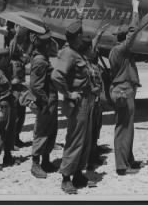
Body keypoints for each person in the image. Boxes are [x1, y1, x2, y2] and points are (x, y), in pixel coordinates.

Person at [51, 17, 94, 194]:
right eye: (81, 34)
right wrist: (68, 93)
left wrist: (79, 17)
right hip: (77, 102)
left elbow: (75, 30)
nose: (83, 37)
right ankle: (66, 178)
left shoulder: (77, 51)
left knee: (84, 140)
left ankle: (77, 173)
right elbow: (56, 76)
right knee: (75, 140)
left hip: (85, 99)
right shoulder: (68, 53)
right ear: (76, 37)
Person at [109, 0, 143, 176]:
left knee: (127, 127)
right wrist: (135, 10)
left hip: (124, 90)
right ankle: (122, 166)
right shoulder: (121, 49)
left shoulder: (116, 51)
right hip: (123, 91)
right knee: (123, 128)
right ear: (124, 38)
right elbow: (134, 31)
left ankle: (128, 159)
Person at [29, 28, 59, 179]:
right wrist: (44, 101)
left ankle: (46, 161)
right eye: (47, 43)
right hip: (45, 102)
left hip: (50, 101)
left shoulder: (44, 58)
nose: (50, 45)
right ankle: (35, 164)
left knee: (50, 131)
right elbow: (35, 86)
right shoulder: (40, 61)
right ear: (43, 45)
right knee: (41, 132)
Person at [82, 24, 109, 170]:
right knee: (90, 130)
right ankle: (89, 159)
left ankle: (94, 150)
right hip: (90, 103)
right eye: (93, 51)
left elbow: (93, 46)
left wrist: (98, 34)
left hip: (97, 103)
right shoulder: (86, 65)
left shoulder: (93, 63)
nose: (96, 52)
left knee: (96, 127)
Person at [9, 25, 31, 149]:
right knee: (15, 116)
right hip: (13, 91)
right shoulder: (10, 59)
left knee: (21, 116)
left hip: (21, 91)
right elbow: (12, 48)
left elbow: (27, 55)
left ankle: (16, 138)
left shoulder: (20, 60)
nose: (19, 49)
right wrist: (16, 35)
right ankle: (11, 141)